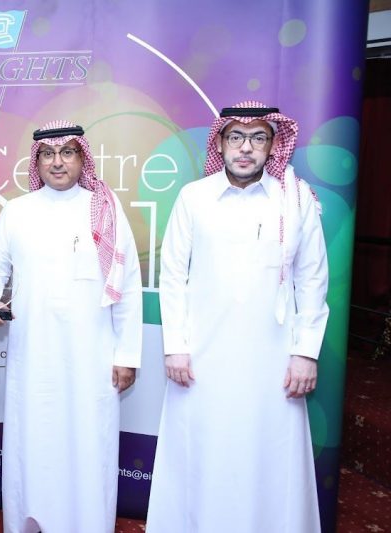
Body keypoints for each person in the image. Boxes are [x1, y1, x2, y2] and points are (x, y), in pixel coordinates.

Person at [146, 102, 329, 532]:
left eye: (258, 138)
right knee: (203, 449)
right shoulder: (194, 197)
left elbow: (312, 279)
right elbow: (172, 277)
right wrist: (176, 347)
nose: (246, 148)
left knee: (268, 452)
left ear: (273, 146)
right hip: (202, 357)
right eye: (236, 138)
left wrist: (305, 353)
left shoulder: (295, 199)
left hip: (273, 359)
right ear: (220, 144)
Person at [0, 121, 143, 533]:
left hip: (92, 357)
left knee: (88, 444)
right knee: (32, 442)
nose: (57, 162)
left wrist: (126, 355)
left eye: (67, 152)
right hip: (32, 356)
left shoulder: (104, 210)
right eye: (48, 154)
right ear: (36, 161)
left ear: (81, 158)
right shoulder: (17, 212)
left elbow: (127, 285)